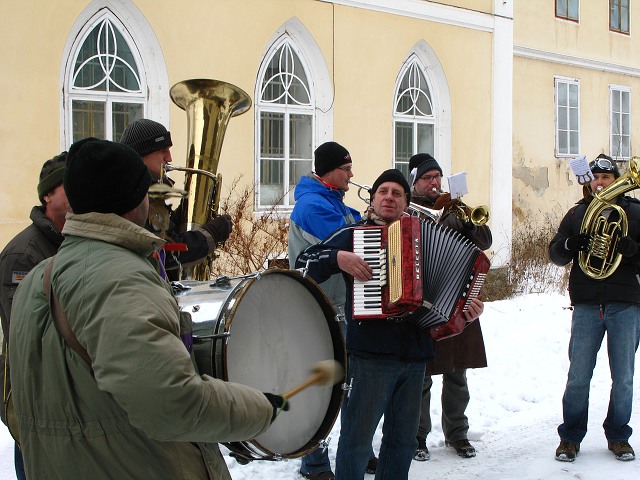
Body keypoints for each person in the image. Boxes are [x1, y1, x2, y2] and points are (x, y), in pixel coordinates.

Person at [8, 138, 288, 479]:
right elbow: (172, 405)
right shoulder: (119, 279)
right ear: (134, 199)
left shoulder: (41, 275)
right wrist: (261, 408)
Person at [296, 169, 484, 480]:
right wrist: (337, 258)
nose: (389, 197)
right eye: (383, 191)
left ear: (406, 203)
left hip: (415, 357)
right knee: (357, 441)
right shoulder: (356, 236)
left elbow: (452, 296)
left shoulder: (426, 237)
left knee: (403, 442)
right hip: (370, 355)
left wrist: (467, 310)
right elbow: (303, 263)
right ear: (372, 199)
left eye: (397, 193)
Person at [288, 141, 376, 479]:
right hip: (319, 310)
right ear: (328, 172)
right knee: (323, 388)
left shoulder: (331, 201)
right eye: (346, 168)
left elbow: (351, 222)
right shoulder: (312, 205)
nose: (352, 175)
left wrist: (368, 216)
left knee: (353, 383)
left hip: (340, 306)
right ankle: (314, 461)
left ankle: (358, 449)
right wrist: (372, 222)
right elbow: (346, 238)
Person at [549, 153, 640, 463]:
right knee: (578, 375)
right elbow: (556, 253)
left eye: (607, 178)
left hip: (625, 305)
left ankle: (618, 435)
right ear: (588, 180)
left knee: (624, 377)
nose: (600, 183)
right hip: (587, 305)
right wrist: (571, 244)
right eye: (596, 178)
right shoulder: (578, 214)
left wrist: (631, 249)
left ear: (616, 180)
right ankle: (570, 437)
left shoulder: (635, 213)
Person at [407, 153, 492, 461]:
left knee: (457, 373)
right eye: (428, 178)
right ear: (415, 182)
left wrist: (467, 217)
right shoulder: (407, 212)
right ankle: (417, 435)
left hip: (457, 301)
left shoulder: (454, 212)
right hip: (421, 304)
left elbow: (484, 240)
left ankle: (457, 432)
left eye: (438, 177)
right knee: (421, 375)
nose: (434, 182)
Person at [0, 151, 69, 480]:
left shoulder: (71, 243)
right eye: (69, 187)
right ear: (48, 195)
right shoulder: (23, 254)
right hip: (36, 406)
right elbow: (28, 335)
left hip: (66, 404)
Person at [120, 118, 232, 279]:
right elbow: (164, 252)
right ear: (143, 154)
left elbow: (163, 234)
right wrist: (211, 234)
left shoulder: (145, 189)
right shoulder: (139, 195)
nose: (169, 158)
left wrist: (183, 215)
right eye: (163, 150)